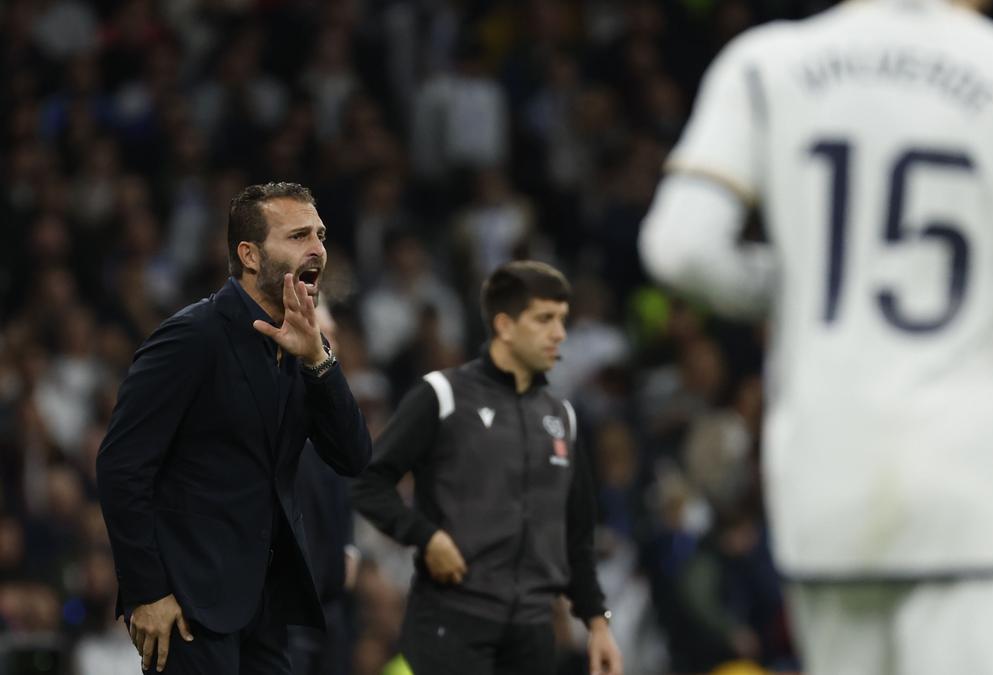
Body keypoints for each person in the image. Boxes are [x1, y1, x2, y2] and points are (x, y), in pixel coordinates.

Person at [639, 1, 993, 674]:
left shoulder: (764, 63)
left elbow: (679, 248)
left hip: (823, 488)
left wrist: (797, 289)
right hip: (971, 491)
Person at [96, 182, 372, 674]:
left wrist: (319, 361)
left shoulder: (304, 344)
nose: (318, 250)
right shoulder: (191, 337)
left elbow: (353, 456)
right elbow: (121, 466)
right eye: (298, 236)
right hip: (188, 605)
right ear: (249, 254)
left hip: (264, 610)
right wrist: (147, 592)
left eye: (321, 235)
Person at [351, 260, 623, 675]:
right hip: (453, 620)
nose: (559, 334)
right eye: (545, 320)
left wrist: (597, 623)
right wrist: (426, 537)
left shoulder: (561, 417)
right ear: (505, 326)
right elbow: (370, 483)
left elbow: (577, 535)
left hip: (531, 631)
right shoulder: (442, 395)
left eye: (562, 320)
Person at [287, 306, 360, 675]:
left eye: (331, 332)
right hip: (288, 606)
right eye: (320, 330)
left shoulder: (338, 410)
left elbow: (347, 483)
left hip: (332, 601)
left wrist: (349, 544)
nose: (329, 341)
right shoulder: (281, 401)